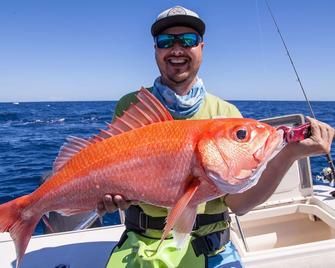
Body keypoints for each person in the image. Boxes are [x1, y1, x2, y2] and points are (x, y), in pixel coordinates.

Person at [98, 6, 334, 268]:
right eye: (166, 42)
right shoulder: (132, 106)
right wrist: (107, 197)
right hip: (142, 243)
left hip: (213, 247)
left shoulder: (226, 113)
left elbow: (240, 204)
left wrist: (291, 153)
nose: (177, 49)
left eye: (188, 41)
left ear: (201, 47)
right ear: (156, 50)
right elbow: (107, 173)